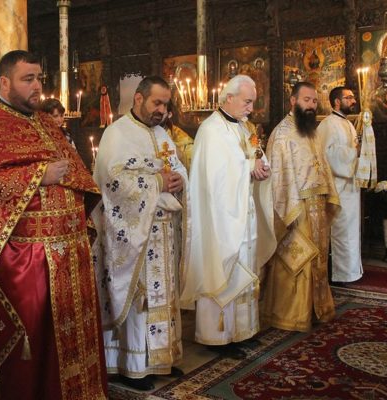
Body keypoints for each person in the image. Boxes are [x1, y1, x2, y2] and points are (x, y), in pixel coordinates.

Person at [0, 50, 107, 400]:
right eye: (28, 79)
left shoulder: (45, 123)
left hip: (70, 253)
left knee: (74, 336)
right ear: (4, 82)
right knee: (36, 345)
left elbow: (75, 173)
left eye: (39, 78)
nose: (37, 86)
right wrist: (38, 175)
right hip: (28, 258)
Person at [92, 76, 189, 391]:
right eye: (156, 103)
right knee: (140, 298)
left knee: (163, 296)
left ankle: (161, 358)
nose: (162, 110)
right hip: (134, 235)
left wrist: (180, 180)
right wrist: (158, 182)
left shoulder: (162, 133)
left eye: (165, 104)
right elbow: (111, 182)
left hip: (163, 231)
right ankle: (133, 365)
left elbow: (178, 167)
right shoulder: (116, 133)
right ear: (138, 99)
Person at [181, 75, 276, 360]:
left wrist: (261, 165)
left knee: (244, 267)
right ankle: (217, 336)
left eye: (252, 103)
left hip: (242, 215)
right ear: (229, 98)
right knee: (222, 268)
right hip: (220, 219)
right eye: (247, 102)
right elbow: (217, 175)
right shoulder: (211, 130)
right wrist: (249, 166)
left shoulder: (243, 127)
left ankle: (241, 332)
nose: (250, 108)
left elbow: (252, 155)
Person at [261, 82, 340, 332]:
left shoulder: (311, 132)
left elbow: (322, 165)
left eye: (314, 101)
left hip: (317, 205)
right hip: (297, 207)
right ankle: (291, 314)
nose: (311, 105)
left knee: (318, 259)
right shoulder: (281, 134)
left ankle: (317, 309)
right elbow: (279, 177)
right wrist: (291, 210)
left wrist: (328, 196)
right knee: (298, 259)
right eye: (307, 100)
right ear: (293, 101)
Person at [317, 87, 365, 283]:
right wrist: (353, 153)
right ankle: (340, 273)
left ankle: (351, 271)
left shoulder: (348, 124)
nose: (353, 101)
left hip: (350, 185)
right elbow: (326, 155)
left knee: (351, 231)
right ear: (337, 102)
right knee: (341, 230)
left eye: (353, 97)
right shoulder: (327, 124)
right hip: (337, 187)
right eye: (349, 97)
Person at [162, 101, 194, 172]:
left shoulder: (184, 140)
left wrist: (180, 156)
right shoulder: (144, 133)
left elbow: (193, 167)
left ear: (169, 114)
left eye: (161, 113)